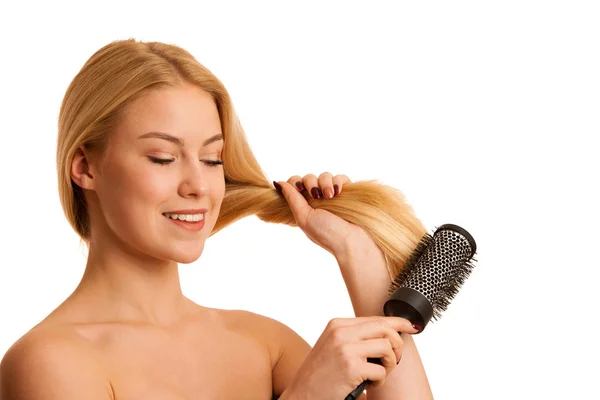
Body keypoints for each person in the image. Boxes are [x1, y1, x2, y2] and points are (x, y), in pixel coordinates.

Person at [0, 39, 433, 399]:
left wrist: (357, 255)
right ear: (85, 167)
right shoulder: (49, 362)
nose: (199, 185)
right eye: (163, 157)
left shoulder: (262, 343)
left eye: (211, 159)